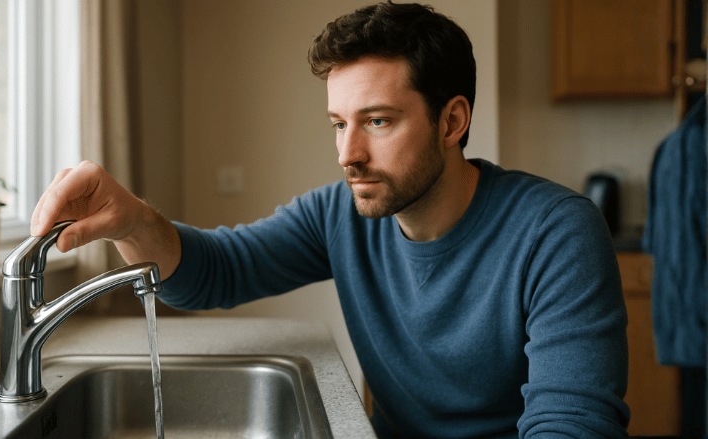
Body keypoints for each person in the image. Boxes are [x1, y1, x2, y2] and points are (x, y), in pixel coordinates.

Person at [31, 2, 629, 437]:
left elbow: (572, 426)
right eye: (339, 124)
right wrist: (132, 221)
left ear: (452, 123)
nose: (348, 154)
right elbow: (212, 273)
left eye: (378, 121)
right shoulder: (339, 215)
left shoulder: (557, 232)